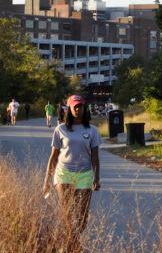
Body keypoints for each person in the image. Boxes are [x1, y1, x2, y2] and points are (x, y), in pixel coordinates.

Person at [43, 95, 102, 252]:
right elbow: (53, 157)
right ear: (69, 109)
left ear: (85, 108)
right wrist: (46, 180)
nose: (78, 109)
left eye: (81, 106)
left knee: (82, 217)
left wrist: (96, 178)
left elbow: (95, 157)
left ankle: (71, 241)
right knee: (67, 212)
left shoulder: (92, 130)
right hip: (64, 173)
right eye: (75, 106)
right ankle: (74, 246)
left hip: (85, 174)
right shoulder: (60, 129)